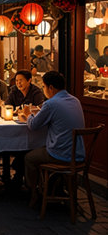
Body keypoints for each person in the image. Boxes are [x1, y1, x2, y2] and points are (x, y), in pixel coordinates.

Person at [20, 71, 85, 204]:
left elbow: (33, 125)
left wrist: (28, 115)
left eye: (44, 87)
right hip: (77, 153)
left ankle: (33, 192)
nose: (43, 90)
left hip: (60, 154)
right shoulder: (75, 100)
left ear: (50, 87)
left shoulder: (51, 103)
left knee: (29, 158)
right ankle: (53, 186)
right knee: (41, 148)